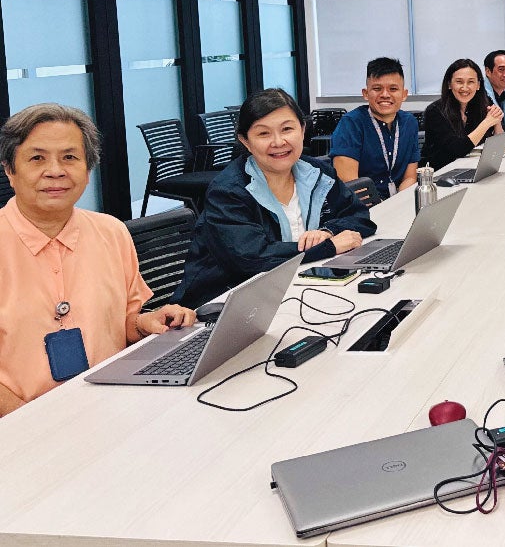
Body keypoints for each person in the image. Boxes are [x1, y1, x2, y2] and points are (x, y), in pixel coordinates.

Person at [0, 103, 196, 415]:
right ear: (10, 170)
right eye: (37, 158)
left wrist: (146, 323)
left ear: (87, 170)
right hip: (20, 425)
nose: (55, 170)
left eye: (70, 157)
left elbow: (123, 325)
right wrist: (28, 425)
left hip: (114, 408)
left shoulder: (112, 232)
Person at [172, 89, 376, 307]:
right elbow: (253, 259)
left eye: (287, 129)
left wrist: (328, 232)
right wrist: (329, 247)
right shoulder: (228, 192)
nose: (278, 142)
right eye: (263, 134)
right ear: (246, 141)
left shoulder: (317, 172)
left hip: (297, 291)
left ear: (303, 130)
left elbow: (359, 216)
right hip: (224, 305)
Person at [330, 57, 421, 198]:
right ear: (365, 94)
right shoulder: (351, 124)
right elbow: (349, 185)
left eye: (393, 89)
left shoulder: (409, 123)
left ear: (404, 94)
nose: (385, 95)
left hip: (396, 202)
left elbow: (410, 177)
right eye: (377, 89)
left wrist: (399, 203)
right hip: (362, 207)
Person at [421, 59, 504, 171]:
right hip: (440, 175)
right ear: (449, 84)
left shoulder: (482, 104)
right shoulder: (435, 111)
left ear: (478, 85)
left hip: (471, 168)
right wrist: (487, 122)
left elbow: (498, 147)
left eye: (470, 82)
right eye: (459, 82)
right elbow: (458, 149)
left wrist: (497, 121)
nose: (465, 88)